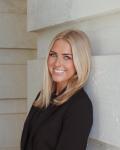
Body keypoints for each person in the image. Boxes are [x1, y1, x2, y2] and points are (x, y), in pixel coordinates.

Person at [20, 29, 93, 150]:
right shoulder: (43, 96)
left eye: (67, 57)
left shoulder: (79, 106)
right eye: (53, 55)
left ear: (80, 62)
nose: (57, 63)